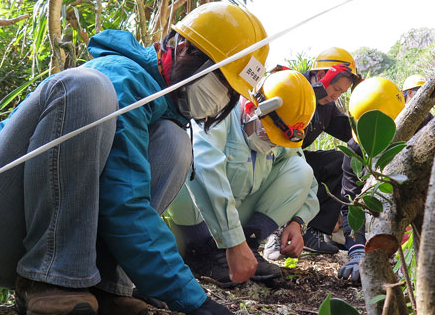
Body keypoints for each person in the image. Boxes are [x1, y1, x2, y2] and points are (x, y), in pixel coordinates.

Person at [0, 1, 269, 315]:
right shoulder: (120, 76)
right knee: (85, 86)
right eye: (219, 81)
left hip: (23, 232)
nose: (220, 97)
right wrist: (197, 303)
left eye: (230, 91)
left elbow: (125, 190)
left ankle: (104, 286)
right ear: (184, 49)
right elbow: (125, 202)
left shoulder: (164, 110)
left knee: (174, 142)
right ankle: (51, 276)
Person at [166, 69, 318, 285]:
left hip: (235, 218)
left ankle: (247, 247)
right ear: (251, 108)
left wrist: (297, 222)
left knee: (301, 170)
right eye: (267, 133)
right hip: (196, 217)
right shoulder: (220, 113)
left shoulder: (279, 137)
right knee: (187, 159)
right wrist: (232, 242)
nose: (272, 143)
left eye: (277, 140)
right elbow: (204, 165)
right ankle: (199, 252)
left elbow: (308, 182)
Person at [264, 47, 362, 260]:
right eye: (334, 88)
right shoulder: (292, 84)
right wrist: (316, 92)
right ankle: (274, 230)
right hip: (269, 161)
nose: (335, 95)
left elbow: (348, 132)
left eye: (342, 92)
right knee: (295, 166)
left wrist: (368, 114)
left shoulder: (327, 106)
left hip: (297, 162)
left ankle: (312, 231)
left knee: (338, 161)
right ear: (320, 75)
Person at [338, 77, 405, 285]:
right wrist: (357, 251)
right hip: (376, 221)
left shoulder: (425, 130)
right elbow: (351, 203)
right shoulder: (355, 150)